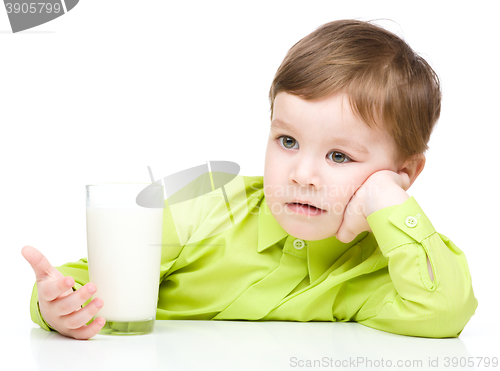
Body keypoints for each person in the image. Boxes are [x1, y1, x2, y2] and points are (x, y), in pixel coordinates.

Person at [22, 19, 477, 340]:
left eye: (339, 155)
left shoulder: (384, 263)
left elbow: (445, 312)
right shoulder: (206, 209)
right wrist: (57, 306)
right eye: (287, 141)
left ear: (405, 174)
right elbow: (92, 277)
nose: (302, 175)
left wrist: (385, 198)